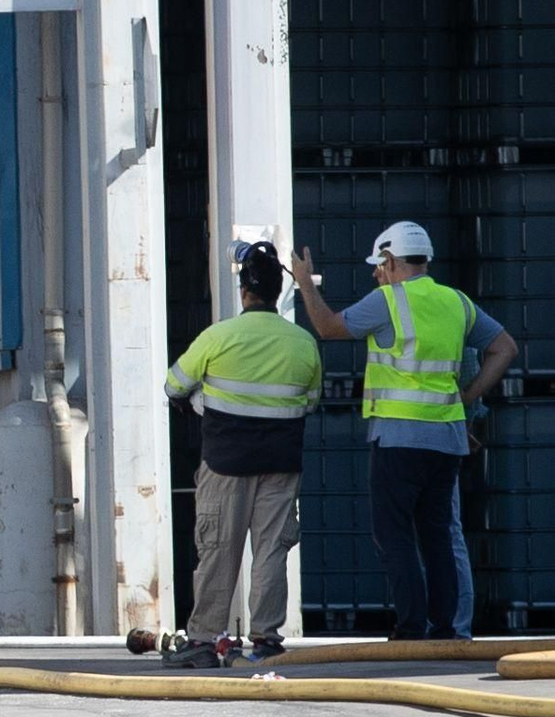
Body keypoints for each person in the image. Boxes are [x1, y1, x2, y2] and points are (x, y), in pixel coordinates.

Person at [292, 221, 518, 640]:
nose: (378, 272)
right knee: (436, 535)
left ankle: (412, 626)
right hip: (447, 439)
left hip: (399, 439)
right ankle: (445, 627)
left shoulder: (388, 301)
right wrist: (465, 397)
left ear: (392, 260)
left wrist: (305, 283)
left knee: (393, 534)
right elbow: (505, 348)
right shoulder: (457, 302)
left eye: (380, 264)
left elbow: (327, 327)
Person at [162, 241, 323, 667]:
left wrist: (204, 399)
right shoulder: (302, 343)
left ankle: (200, 640)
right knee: (271, 551)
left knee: (219, 548)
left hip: (225, 462)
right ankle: (266, 639)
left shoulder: (219, 337)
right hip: (281, 463)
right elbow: (310, 400)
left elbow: (174, 385)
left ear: (244, 291)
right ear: (276, 292)